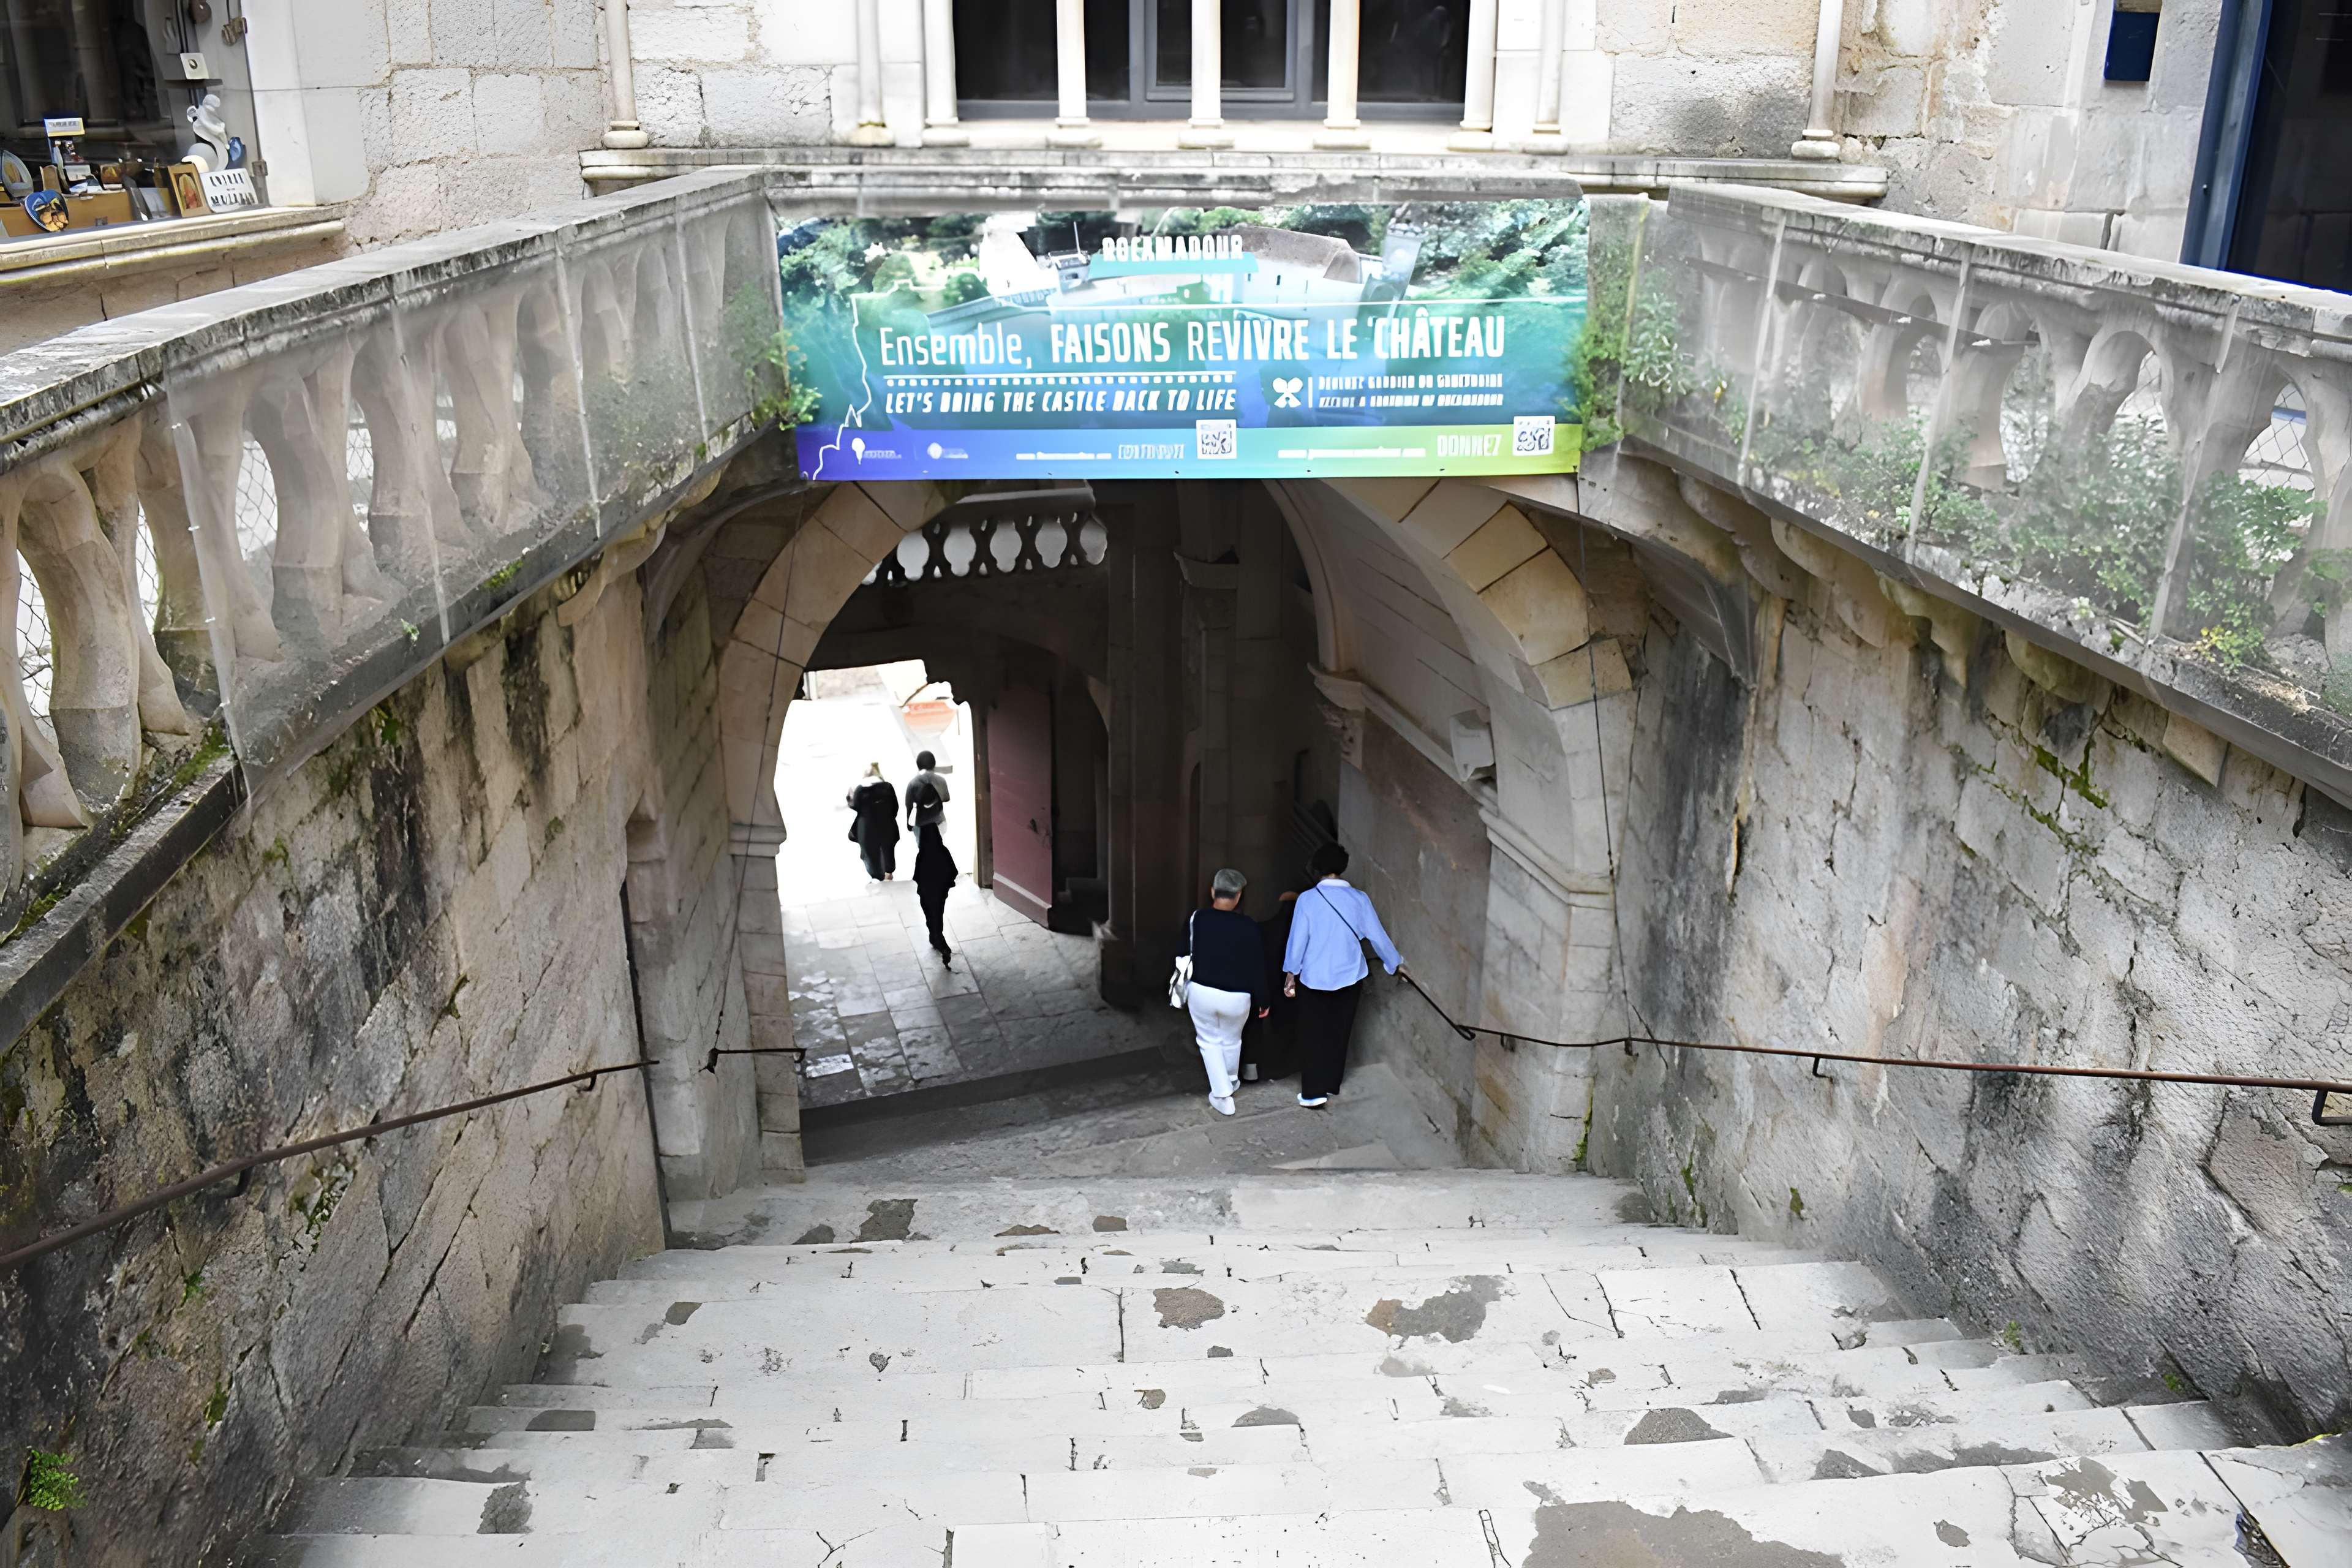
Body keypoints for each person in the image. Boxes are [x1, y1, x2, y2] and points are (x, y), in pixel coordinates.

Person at [1281, 842, 1404, 1109]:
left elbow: (1298, 941)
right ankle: (1331, 1082)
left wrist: (1291, 973)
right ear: (1342, 867)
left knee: (1313, 1033)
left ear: (1317, 868)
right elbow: (1377, 936)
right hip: (1350, 975)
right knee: (1340, 1030)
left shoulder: (1308, 900)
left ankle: (1314, 1092)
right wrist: (1394, 963)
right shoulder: (1359, 899)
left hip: (1314, 977)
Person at [1186, 868, 1271, 1116]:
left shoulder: (1197, 918)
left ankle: (1222, 1095)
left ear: (1213, 892)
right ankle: (1231, 1082)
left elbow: (1183, 952)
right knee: (1233, 1041)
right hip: (1238, 997)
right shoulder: (1249, 926)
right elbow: (1258, 967)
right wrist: (1264, 999)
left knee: (1208, 1042)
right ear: (1238, 896)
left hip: (1202, 991)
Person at [912, 823, 959, 963]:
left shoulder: (922, 854)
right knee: (938, 915)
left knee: (930, 917)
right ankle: (937, 938)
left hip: (926, 893)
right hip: (940, 893)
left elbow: (917, 877)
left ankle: (937, 940)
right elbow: (953, 872)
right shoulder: (943, 851)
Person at [845, 763, 900, 881]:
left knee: (870, 853)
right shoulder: (888, 787)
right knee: (888, 850)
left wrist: (849, 798)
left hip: (868, 828)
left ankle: (876, 877)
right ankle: (889, 873)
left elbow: (856, 806)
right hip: (888, 826)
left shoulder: (861, 790)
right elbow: (895, 807)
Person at [905, 750, 950, 834]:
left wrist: (909, 825)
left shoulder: (913, 783)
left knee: (923, 847)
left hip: (921, 825)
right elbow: (946, 798)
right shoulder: (941, 780)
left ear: (918, 765)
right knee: (938, 846)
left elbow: (909, 805)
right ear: (934, 764)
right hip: (939, 822)